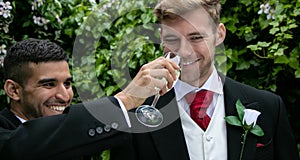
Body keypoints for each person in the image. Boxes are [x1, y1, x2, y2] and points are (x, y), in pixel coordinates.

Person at [110, 0, 299, 160]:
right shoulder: (134, 117)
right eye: (172, 38)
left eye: (196, 37)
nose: (184, 51)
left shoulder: (269, 108)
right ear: (161, 38)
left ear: (219, 34)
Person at [0, 38, 179, 160]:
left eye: (68, 84)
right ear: (13, 90)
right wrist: (125, 100)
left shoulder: (77, 136)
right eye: (48, 85)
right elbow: (21, 147)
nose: (64, 96)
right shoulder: (6, 138)